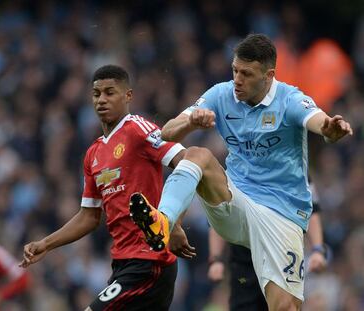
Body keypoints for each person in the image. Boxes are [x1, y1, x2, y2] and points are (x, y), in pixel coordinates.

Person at [129, 34, 352, 311]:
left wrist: (331, 129)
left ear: (268, 75)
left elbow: (319, 121)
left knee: (285, 307)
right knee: (197, 155)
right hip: (237, 201)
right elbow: (167, 132)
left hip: (281, 213)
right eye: (235, 70)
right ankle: (163, 220)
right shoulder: (221, 95)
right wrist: (191, 123)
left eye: (246, 74)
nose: (237, 79)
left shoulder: (290, 99)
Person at [19, 65, 188, 311]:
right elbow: (89, 216)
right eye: (97, 93)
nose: (102, 100)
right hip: (123, 263)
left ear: (128, 96)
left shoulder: (138, 129)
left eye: (110, 92)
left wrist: (173, 223)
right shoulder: (93, 154)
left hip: (149, 260)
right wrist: (46, 243)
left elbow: (185, 162)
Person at [207, 180, 327, 311]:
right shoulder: (235, 166)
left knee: (286, 307)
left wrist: (317, 249)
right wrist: (216, 259)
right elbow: (220, 214)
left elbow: (311, 207)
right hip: (245, 263)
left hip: (283, 260)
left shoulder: (295, 165)